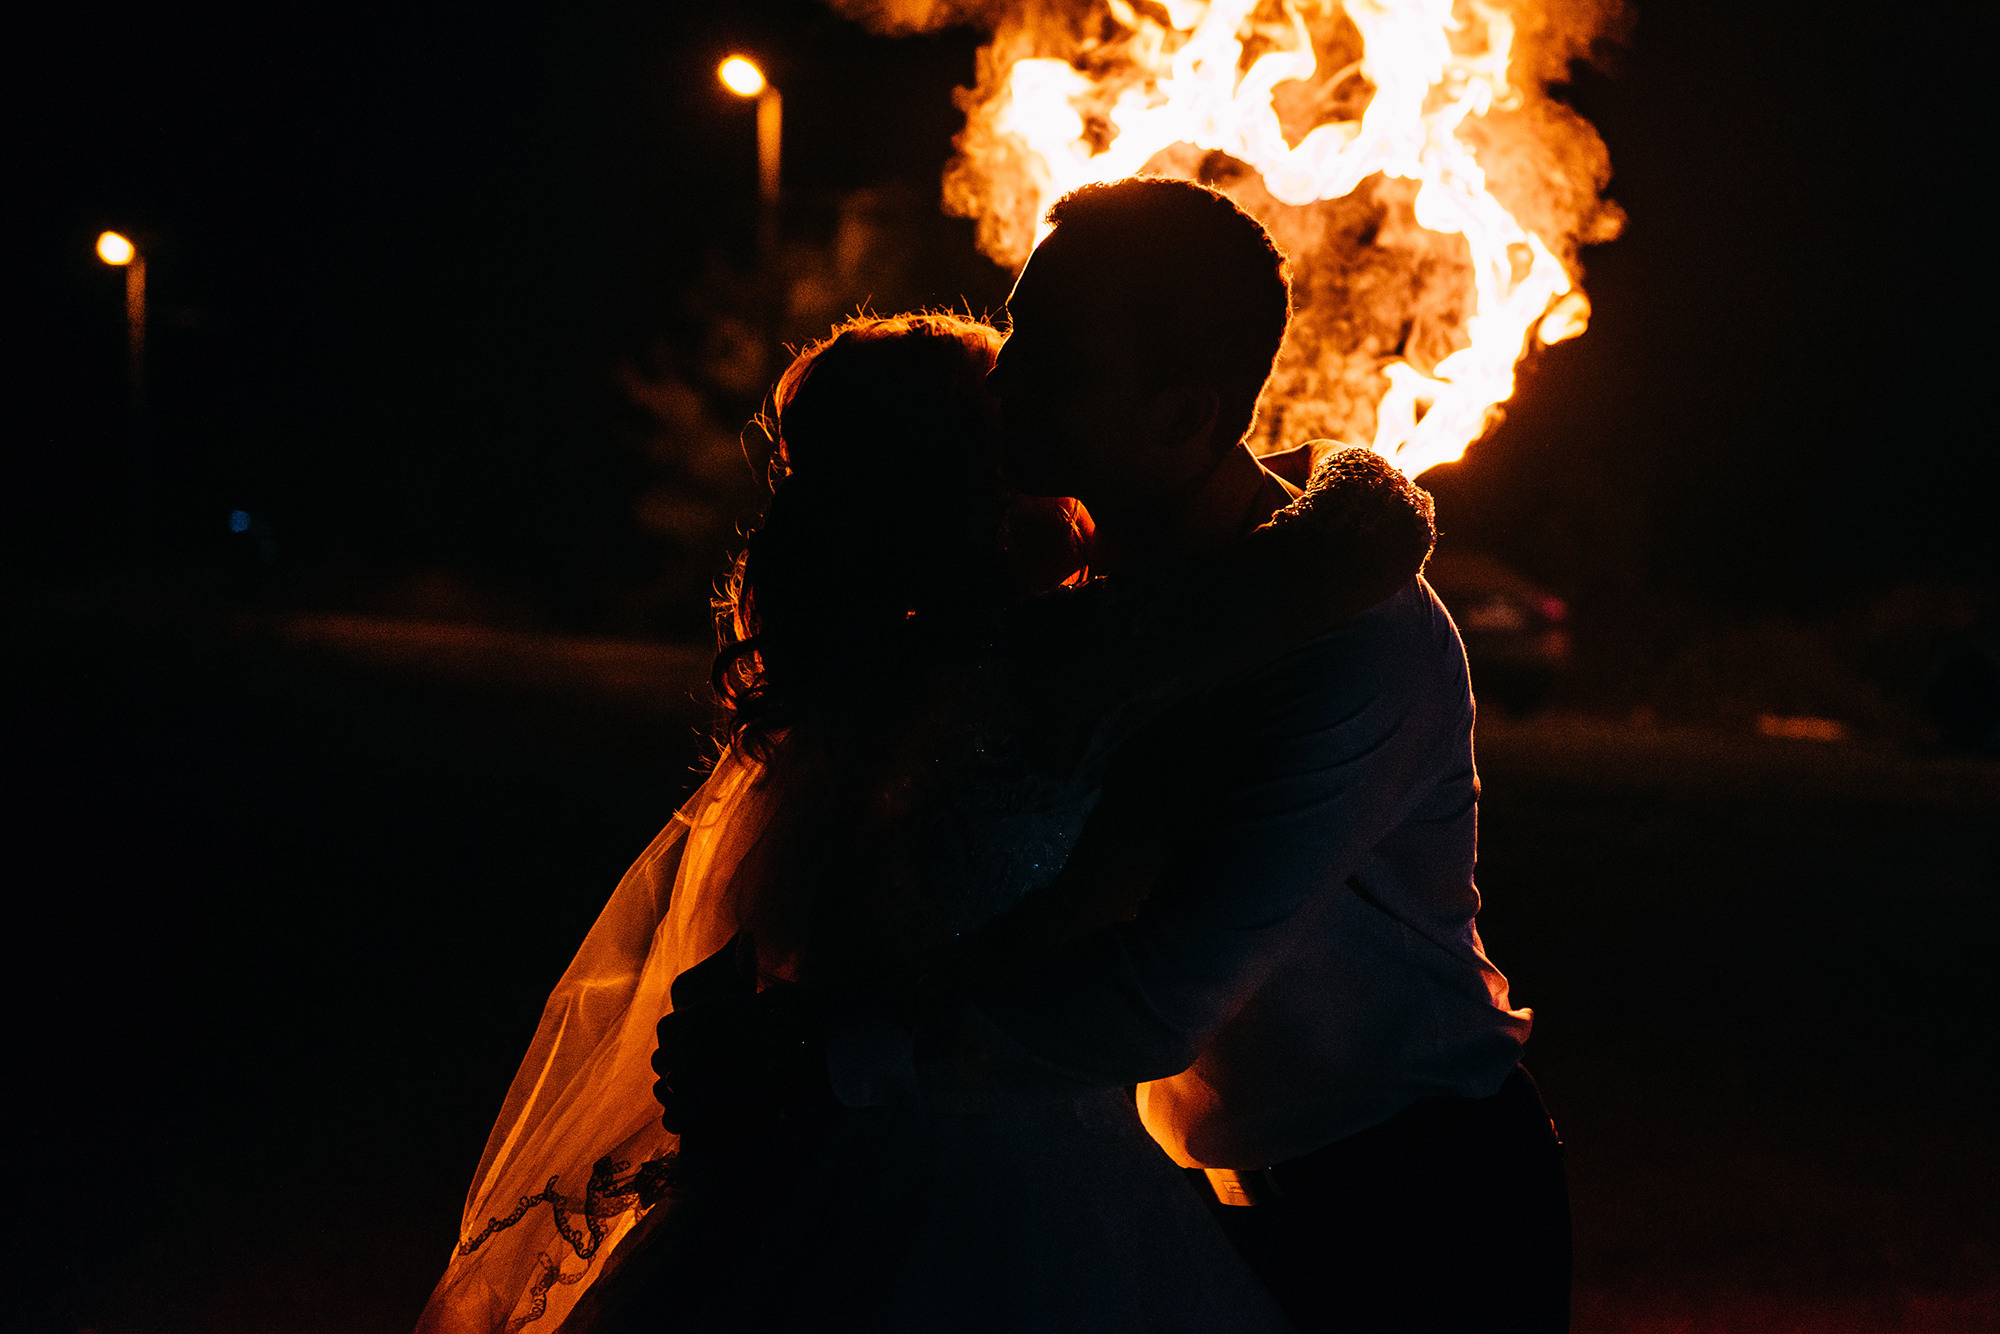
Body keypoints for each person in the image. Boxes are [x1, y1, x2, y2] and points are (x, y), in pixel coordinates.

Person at [667, 177, 1572, 1333]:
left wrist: (827, 1056)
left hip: (1411, 1197)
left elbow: (1162, 993)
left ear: (1184, 416)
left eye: (1056, 365)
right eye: (1018, 335)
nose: (1006, 384)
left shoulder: (1347, 640)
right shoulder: (1075, 608)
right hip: (1179, 1189)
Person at [415, 309, 1434, 1333]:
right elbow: (1320, 566)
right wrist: (1367, 482)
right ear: (985, 476)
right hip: (1013, 1185)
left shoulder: (850, 687)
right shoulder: (1060, 664)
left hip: (825, 1157)